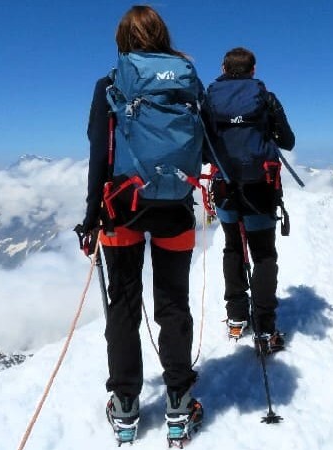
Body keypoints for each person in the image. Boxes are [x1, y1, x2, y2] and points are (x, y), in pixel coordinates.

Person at [79, 5, 202, 445]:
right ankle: (179, 403)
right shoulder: (187, 78)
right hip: (175, 206)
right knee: (173, 304)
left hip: (122, 205)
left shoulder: (110, 85)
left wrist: (91, 216)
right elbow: (201, 147)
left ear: (122, 40)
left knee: (125, 305)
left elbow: (100, 155)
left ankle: (126, 405)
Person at [203, 47, 295, 353]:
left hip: (225, 186)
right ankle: (265, 328)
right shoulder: (265, 98)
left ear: (223, 67)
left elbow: (204, 147)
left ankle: (236, 317)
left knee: (232, 247)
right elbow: (288, 141)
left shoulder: (210, 98)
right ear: (253, 70)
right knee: (264, 254)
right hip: (261, 187)